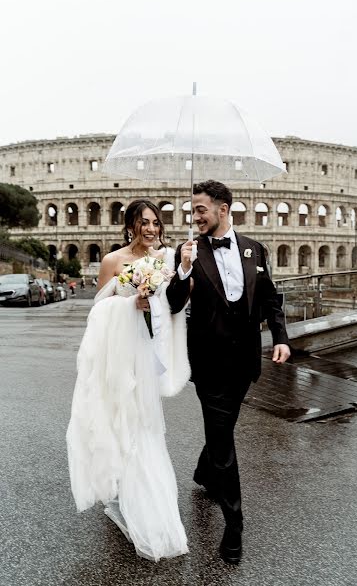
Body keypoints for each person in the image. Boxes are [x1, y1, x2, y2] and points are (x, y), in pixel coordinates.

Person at [166, 180, 291, 564]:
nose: (194, 216)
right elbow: (172, 303)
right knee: (223, 440)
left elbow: (269, 297)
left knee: (223, 431)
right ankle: (234, 525)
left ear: (223, 209)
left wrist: (281, 337)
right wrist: (184, 270)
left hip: (244, 362)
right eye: (192, 210)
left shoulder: (255, 248)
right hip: (208, 362)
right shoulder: (186, 251)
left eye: (200, 209)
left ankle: (205, 472)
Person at [66, 199, 190, 562]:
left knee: (143, 425)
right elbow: (99, 311)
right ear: (130, 225)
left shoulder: (166, 259)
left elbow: (178, 302)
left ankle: (145, 500)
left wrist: (181, 270)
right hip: (119, 353)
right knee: (119, 420)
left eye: (155, 222)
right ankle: (124, 492)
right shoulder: (112, 261)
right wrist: (131, 303)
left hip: (149, 351)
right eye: (143, 222)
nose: (151, 229)